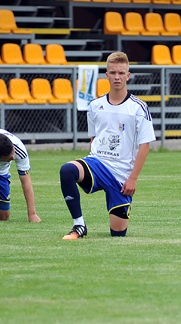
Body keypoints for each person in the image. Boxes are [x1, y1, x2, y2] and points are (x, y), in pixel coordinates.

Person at [59, 51, 156, 240]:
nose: (117, 77)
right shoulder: (95, 105)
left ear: (128, 75)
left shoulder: (138, 108)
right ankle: (79, 225)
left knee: (118, 234)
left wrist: (133, 179)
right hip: (97, 164)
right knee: (67, 170)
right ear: (107, 75)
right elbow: (94, 138)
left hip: (121, 176)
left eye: (121, 73)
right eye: (113, 73)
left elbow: (145, 145)